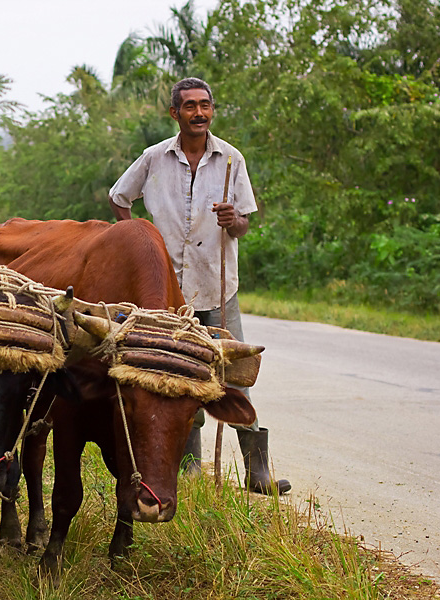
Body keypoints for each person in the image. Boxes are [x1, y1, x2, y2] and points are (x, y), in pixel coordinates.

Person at [108, 77, 290, 495]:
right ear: (175, 113)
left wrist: (233, 221)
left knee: (236, 372)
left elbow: (244, 222)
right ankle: (188, 467)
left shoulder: (230, 159)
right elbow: (120, 197)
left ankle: (256, 472)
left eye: (204, 105)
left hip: (217, 284)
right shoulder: (155, 158)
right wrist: (138, 239)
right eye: (189, 106)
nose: (198, 113)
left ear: (212, 110)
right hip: (166, 293)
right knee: (176, 373)